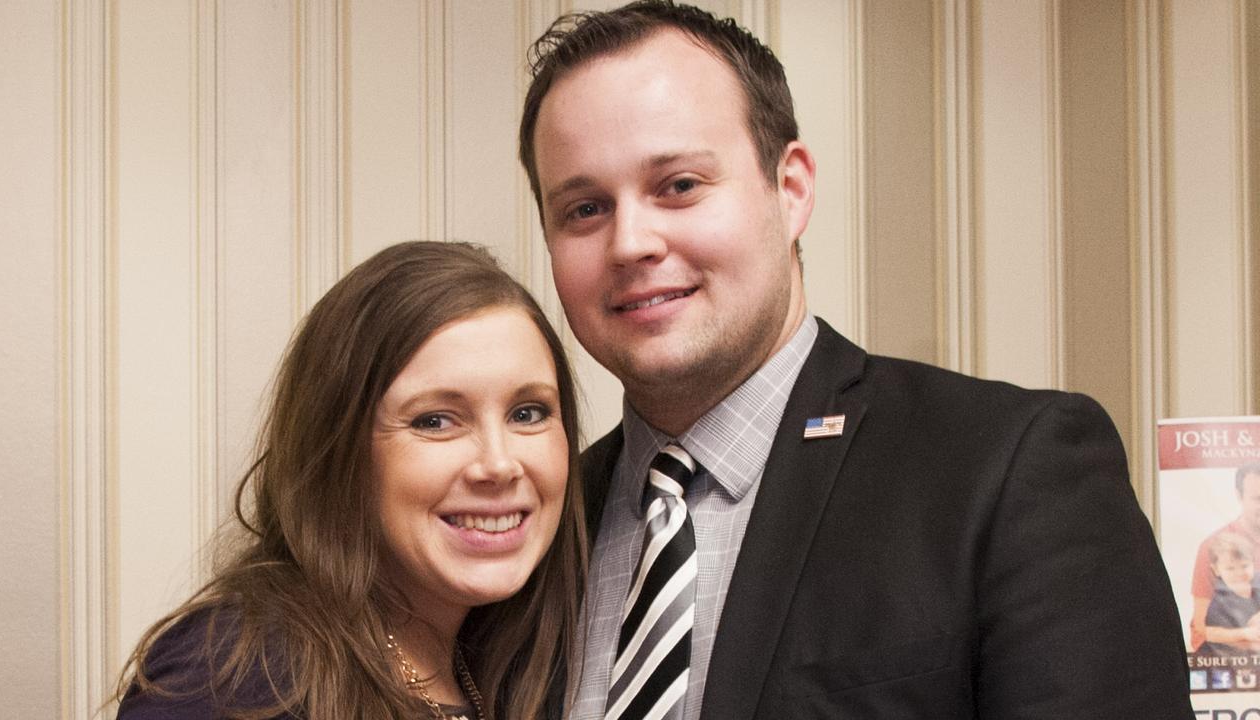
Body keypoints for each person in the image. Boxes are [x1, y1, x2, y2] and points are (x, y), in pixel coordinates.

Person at [517, 1, 1192, 717]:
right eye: (584, 209)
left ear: (793, 188)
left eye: (678, 186)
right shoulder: (541, 527)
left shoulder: (1007, 471)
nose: (630, 243)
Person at [114, 241, 587, 720]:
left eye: (528, 413)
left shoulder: (501, 667)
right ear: (340, 451)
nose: (499, 463)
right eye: (434, 421)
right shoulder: (234, 677)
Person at [1190, 462, 1260, 650]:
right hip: (1229, 667)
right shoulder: (1212, 547)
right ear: (1240, 496)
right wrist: (1245, 635)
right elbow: (1200, 628)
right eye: (1258, 498)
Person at [1198, 532, 1260, 656]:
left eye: (1244, 566)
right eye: (1230, 568)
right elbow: (1209, 633)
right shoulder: (1218, 600)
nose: (1239, 573)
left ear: (1254, 563)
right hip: (1226, 656)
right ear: (1216, 570)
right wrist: (1244, 633)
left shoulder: (1257, 581)